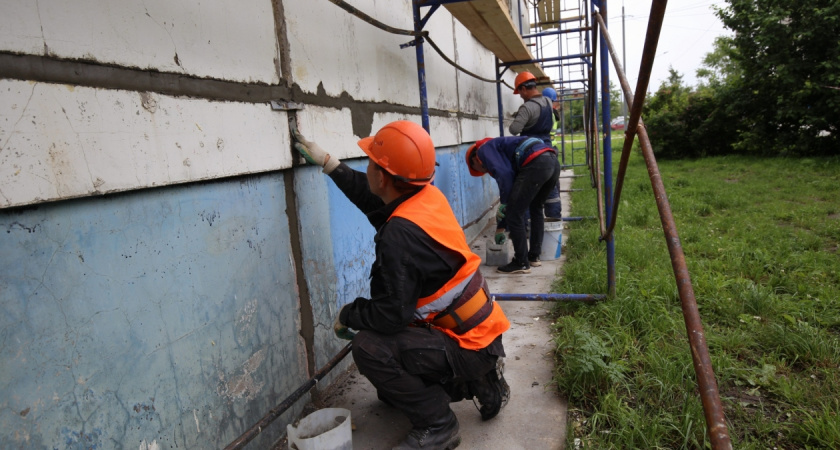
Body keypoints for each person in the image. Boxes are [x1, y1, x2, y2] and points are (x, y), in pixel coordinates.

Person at [292, 121, 511, 450]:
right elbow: (373, 200)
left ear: (381, 176)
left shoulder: (399, 236)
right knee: (388, 392)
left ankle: (438, 424)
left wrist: (350, 314)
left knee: (369, 347)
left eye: (369, 162)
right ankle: (481, 382)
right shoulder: (425, 197)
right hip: (482, 334)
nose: (366, 168)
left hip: (466, 345)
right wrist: (329, 164)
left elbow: (390, 315)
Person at [466, 135, 561, 274]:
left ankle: (521, 262)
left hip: (537, 162)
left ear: (474, 159)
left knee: (514, 214)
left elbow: (505, 177)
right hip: (552, 161)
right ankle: (534, 256)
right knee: (536, 208)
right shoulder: (501, 150)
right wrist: (501, 227)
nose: (485, 171)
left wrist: (505, 206)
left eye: (479, 170)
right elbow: (511, 183)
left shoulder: (483, 150)